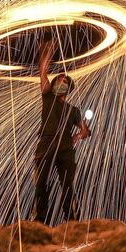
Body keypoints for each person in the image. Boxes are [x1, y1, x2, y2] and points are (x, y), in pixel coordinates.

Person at [33, 35, 91, 224]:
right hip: (47, 145)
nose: (59, 82)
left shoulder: (73, 110)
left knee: (67, 186)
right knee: (42, 184)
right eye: (57, 80)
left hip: (64, 148)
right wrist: (46, 55)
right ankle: (39, 221)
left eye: (62, 82)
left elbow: (85, 131)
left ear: (67, 89)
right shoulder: (48, 97)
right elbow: (42, 72)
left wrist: (77, 136)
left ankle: (72, 221)